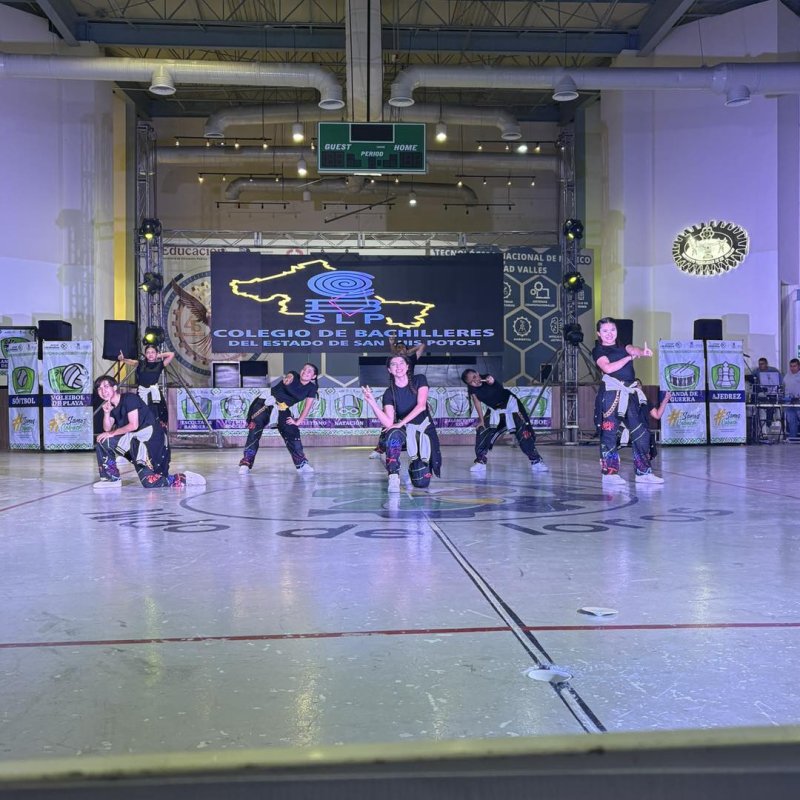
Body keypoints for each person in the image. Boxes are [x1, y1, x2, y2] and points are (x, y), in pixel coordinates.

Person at [93, 375, 204, 489]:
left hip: (150, 443)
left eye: (106, 386)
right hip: (134, 443)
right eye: (99, 388)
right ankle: (111, 479)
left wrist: (111, 433)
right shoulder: (112, 407)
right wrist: (106, 413)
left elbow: (133, 425)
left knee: (150, 482)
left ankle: (185, 478)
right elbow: (107, 429)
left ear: (115, 387)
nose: (103, 391)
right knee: (103, 441)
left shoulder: (129, 399)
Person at [592, 317, 664, 485]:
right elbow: (608, 368)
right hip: (611, 393)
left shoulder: (623, 346)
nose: (609, 334)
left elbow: (633, 349)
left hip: (630, 393)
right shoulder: (598, 350)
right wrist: (629, 358)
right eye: (605, 331)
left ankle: (643, 472)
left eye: (612, 330)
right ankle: (609, 474)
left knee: (641, 431)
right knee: (610, 432)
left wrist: (641, 352)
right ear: (599, 334)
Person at [361, 354, 442, 493]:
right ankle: (393, 476)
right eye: (394, 364)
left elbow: (421, 406)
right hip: (406, 432)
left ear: (407, 366)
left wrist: (400, 423)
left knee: (421, 483)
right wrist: (372, 402)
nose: (398, 367)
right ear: (389, 370)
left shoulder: (419, 380)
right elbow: (388, 422)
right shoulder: (389, 393)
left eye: (401, 363)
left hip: (423, 432)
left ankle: (414, 463)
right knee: (393, 432)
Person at [460, 369, 548, 475]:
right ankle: (480, 461)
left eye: (475, 377)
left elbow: (498, 388)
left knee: (524, 432)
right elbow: (477, 402)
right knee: (482, 430)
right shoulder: (472, 389)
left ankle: (536, 461)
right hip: (495, 411)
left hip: (511, 406)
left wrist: (492, 382)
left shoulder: (488, 378)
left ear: (478, 373)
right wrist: (481, 421)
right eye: (471, 381)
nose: (475, 381)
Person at [238, 363, 318, 475]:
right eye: (304, 369)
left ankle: (301, 463)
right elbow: (288, 378)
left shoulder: (312, 388)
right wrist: (288, 379)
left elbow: (307, 406)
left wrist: (298, 421)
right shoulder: (293, 375)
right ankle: (246, 463)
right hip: (266, 402)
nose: (305, 372)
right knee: (255, 429)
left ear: (314, 376)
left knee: (292, 430)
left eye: (309, 371)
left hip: (282, 407)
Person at [368, 334, 427, 459]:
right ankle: (380, 448)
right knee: (390, 421)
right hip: (398, 393)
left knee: (418, 422)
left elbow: (422, 346)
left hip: (412, 392)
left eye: (402, 347)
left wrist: (407, 351)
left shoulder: (411, 359)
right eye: (398, 347)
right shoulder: (394, 362)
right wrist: (393, 346)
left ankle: (418, 450)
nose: (400, 349)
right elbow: (395, 355)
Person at [117, 345, 175, 427]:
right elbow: (129, 361)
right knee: (140, 412)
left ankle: (158, 429)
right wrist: (122, 359)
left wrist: (158, 355)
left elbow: (171, 354)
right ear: (145, 354)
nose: (150, 354)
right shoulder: (140, 363)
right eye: (148, 352)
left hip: (154, 392)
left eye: (152, 352)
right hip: (142, 391)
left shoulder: (160, 364)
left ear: (156, 353)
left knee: (157, 414)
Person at [783, 358, 800, 442]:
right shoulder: (787, 376)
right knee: (791, 420)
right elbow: (784, 388)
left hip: (799, 402)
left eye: (794, 366)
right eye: (791, 366)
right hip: (789, 402)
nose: (792, 368)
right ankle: (793, 438)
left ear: (799, 366)